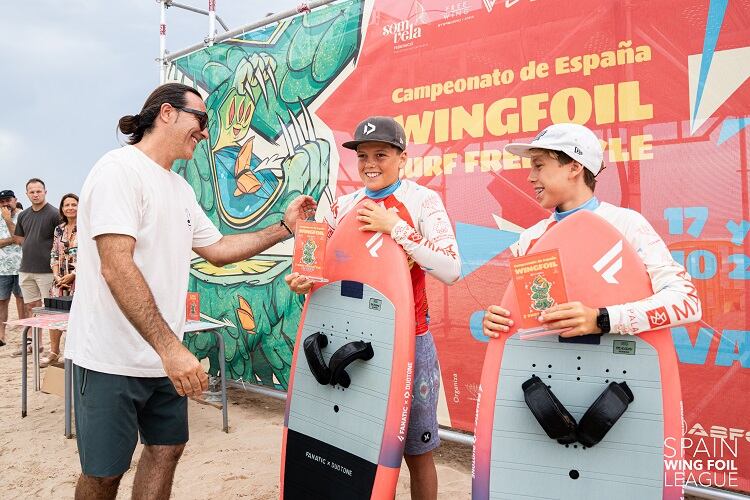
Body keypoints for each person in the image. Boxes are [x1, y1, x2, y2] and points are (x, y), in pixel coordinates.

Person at [64, 82, 316, 500]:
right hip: (111, 357)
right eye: (201, 120)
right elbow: (115, 266)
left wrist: (284, 227)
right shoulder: (117, 171)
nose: (205, 131)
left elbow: (218, 250)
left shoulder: (179, 189)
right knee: (105, 473)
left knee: (166, 450)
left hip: (163, 359)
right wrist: (171, 349)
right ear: (167, 113)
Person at [285, 116, 461, 500]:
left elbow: (451, 269)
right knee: (357, 447)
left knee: (417, 453)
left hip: (410, 344)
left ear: (402, 158)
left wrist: (393, 226)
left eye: (381, 154)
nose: (370, 163)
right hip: (349, 342)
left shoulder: (421, 200)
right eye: (363, 155)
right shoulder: (343, 205)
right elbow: (318, 268)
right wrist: (301, 275)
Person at [483, 123, 701, 339]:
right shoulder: (529, 238)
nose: (530, 177)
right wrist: (500, 320)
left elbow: (686, 302)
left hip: (617, 367)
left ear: (574, 167)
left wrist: (600, 320)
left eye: (538, 166)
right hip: (550, 369)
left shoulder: (627, 224)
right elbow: (531, 316)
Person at [12, 178, 59, 355]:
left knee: (49, 310)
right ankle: (36, 344)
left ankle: (53, 349)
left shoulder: (55, 214)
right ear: (27, 194)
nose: (35, 194)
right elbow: (20, 239)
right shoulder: (23, 215)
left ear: (45, 192)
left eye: (39, 191)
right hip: (26, 269)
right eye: (32, 192)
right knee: (32, 308)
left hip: (47, 271)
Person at [40, 193, 79, 368]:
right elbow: (54, 253)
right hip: (60, 278)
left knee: (75, 317)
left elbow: (91, 255)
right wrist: (56, 275)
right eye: (66, 205)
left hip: (80, 278)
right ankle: (54, 352)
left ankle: (71, 353)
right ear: (62, 208)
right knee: (54, 315)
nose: (70, 207)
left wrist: (75, 274)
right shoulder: (59, 229)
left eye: (74, 204)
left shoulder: (86, 227)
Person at [0, 190, 23, 348]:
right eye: (2, 201)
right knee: (2, 302)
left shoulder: (23, 216)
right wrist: (12, 240)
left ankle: (24, 336)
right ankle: (1, 335)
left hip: (23, 266)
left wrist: (8, 220)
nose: (5, 204)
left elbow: (20, 240)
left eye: (8, 200)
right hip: (2, 268)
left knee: (22, 302)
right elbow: (14, 239)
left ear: (15, 200)